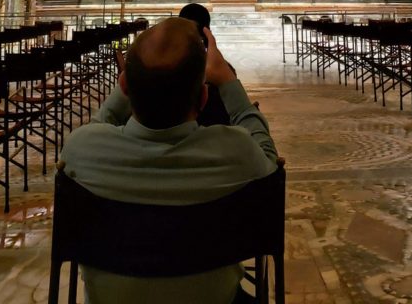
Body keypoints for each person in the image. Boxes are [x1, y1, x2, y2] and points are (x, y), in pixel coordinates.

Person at [61, 17, 277, 303]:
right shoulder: (236, 152)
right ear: (203, 99)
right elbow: (269, 160)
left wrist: (135, 80)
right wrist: (227, 80)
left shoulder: (82, 150)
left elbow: (98, 125)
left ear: (124, 86)